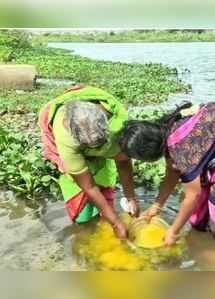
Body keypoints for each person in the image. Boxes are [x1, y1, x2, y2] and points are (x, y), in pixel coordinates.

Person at [119, 101, 215, 246]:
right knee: (199, 218)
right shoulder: (166, 130)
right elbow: (173, 172)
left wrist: (172, 231)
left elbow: (192, 196)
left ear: (148, 154)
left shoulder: (181, 149)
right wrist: (156, 206)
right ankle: (201, 233)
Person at [38, 86, 139, 239]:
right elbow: (89, 186)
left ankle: (106, 211)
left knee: (105, 190)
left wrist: (131, 197)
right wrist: (116, 223)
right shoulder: (67, 140)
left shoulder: (115, 123)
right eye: (91, 146)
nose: (98, 150)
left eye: (100, 146)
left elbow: (123, 162)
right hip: (73, 144)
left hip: (101, 137)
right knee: (82, 216)